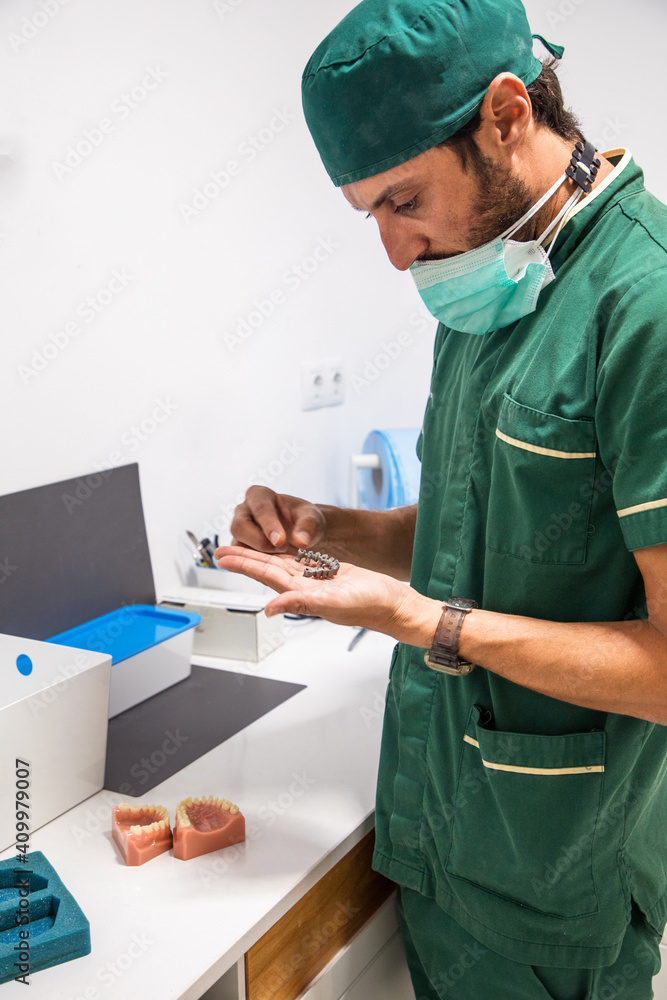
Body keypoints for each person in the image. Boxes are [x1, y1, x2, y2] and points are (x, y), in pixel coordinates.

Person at [215, 1, 667, 996]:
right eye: (369, 211)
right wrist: (329, 534)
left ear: (507, 112)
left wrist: (428, 622)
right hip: (442, 846)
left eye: (403, 200)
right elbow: (487, 527)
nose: (392, 251)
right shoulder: (485, 277)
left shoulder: (646, 308)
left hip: (555, 880)